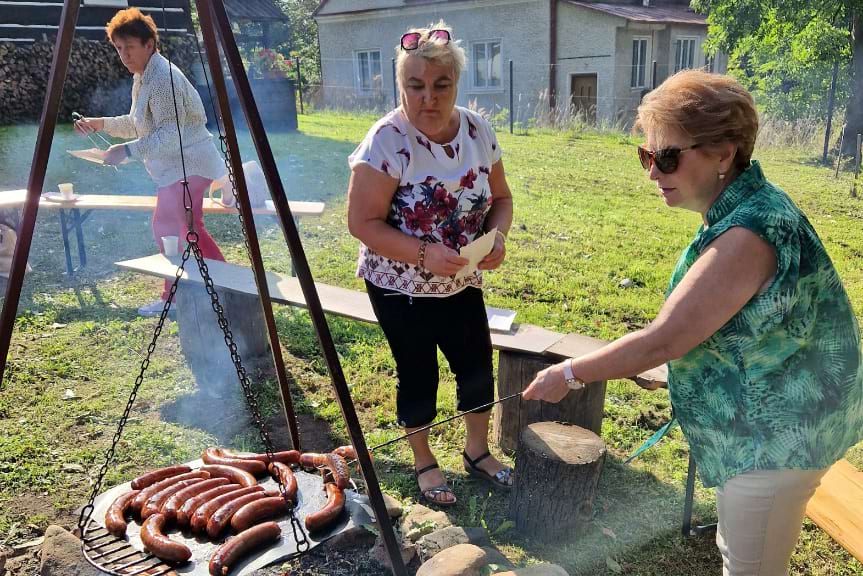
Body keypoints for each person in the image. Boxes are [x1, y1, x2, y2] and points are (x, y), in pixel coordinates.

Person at [523, 69, 863, 575]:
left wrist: (568, 374)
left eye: (666, 157)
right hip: (768, 430)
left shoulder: (750, 231)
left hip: (774, 442)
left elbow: (665, 338)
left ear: (724, 153)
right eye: (646, 155)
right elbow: (730, 324)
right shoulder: (745, 207)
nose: (652, 172)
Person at [347, 22, 514, 507]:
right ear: (400, 85)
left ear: (457, 84)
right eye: (415, 86)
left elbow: (501, 198)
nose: (428, 98)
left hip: (463, 276)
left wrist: (497, 235)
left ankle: (477, 452)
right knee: (419, 373)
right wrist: (424, 255)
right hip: (400, 285)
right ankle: (423, 461)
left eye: (441, 85)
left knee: (477, 366)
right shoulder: (386, 141)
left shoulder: (479, 130)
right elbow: (362, 222)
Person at [74, 8, 227, 317]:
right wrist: (100, 123)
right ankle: (204, 291)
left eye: (129, 46)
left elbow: (171, 133)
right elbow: (137, 123)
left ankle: (209, 291)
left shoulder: (161, 78)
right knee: (179, 228)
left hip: (191, 163)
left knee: (172, 227)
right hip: (177, 169)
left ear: (149, 44)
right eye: (118, 47)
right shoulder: (143, 76)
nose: (124, 54)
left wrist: (126, 151)